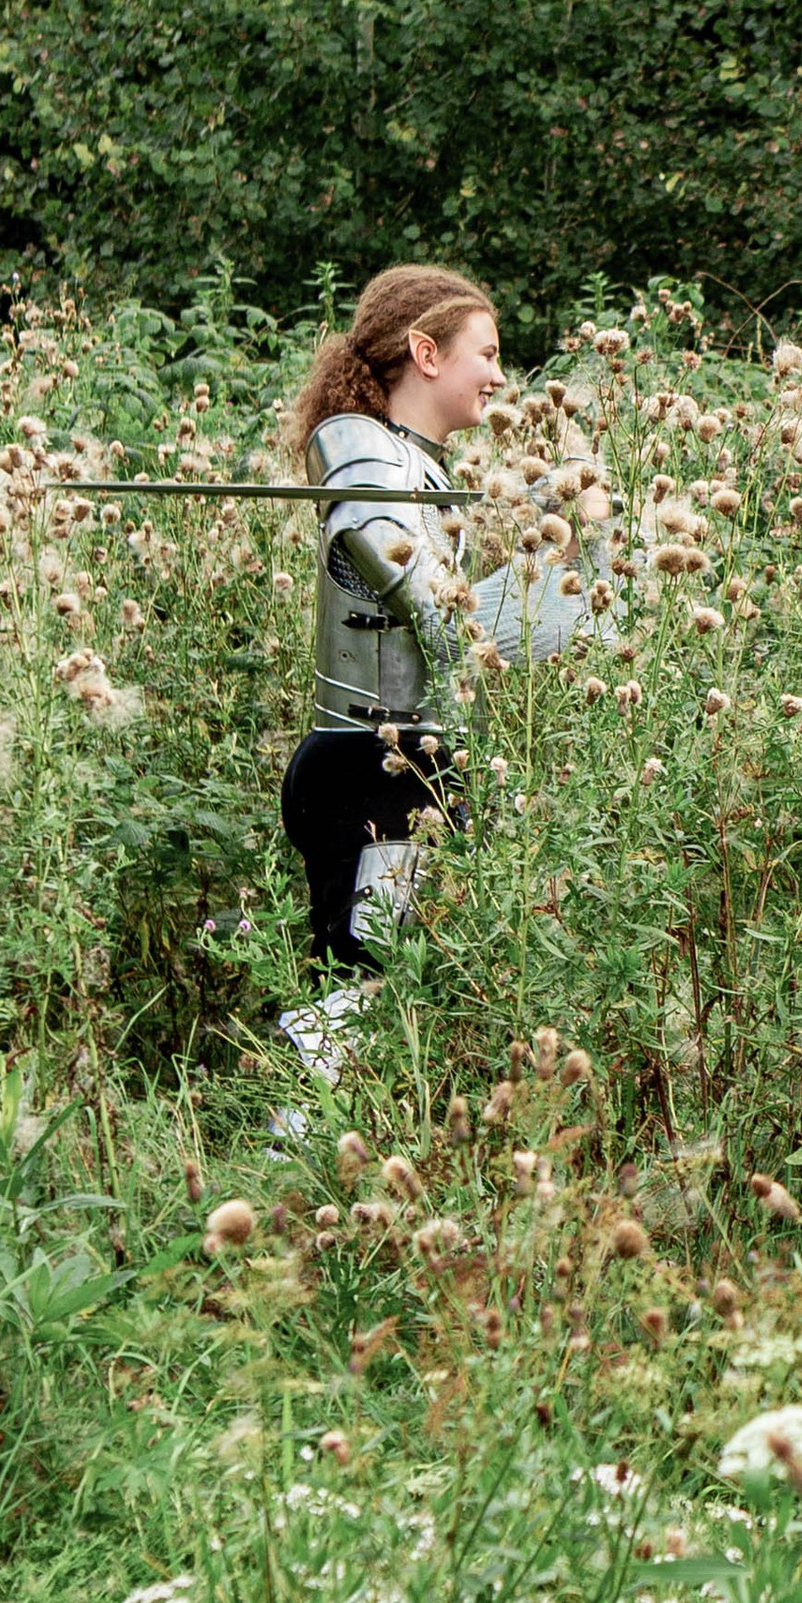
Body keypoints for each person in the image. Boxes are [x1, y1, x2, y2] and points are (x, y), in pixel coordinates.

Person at [276, 267, 615, 1056]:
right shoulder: (364, 457)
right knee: (361, 999)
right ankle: (291, 1158)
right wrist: (566, 556)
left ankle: (353, 1154)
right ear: (426, 352)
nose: (499, 375)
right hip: (370, 765)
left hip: (407, 759)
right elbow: (441, 613)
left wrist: (569, 538)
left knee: (397, 995)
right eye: (487, 353)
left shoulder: (414, 466)